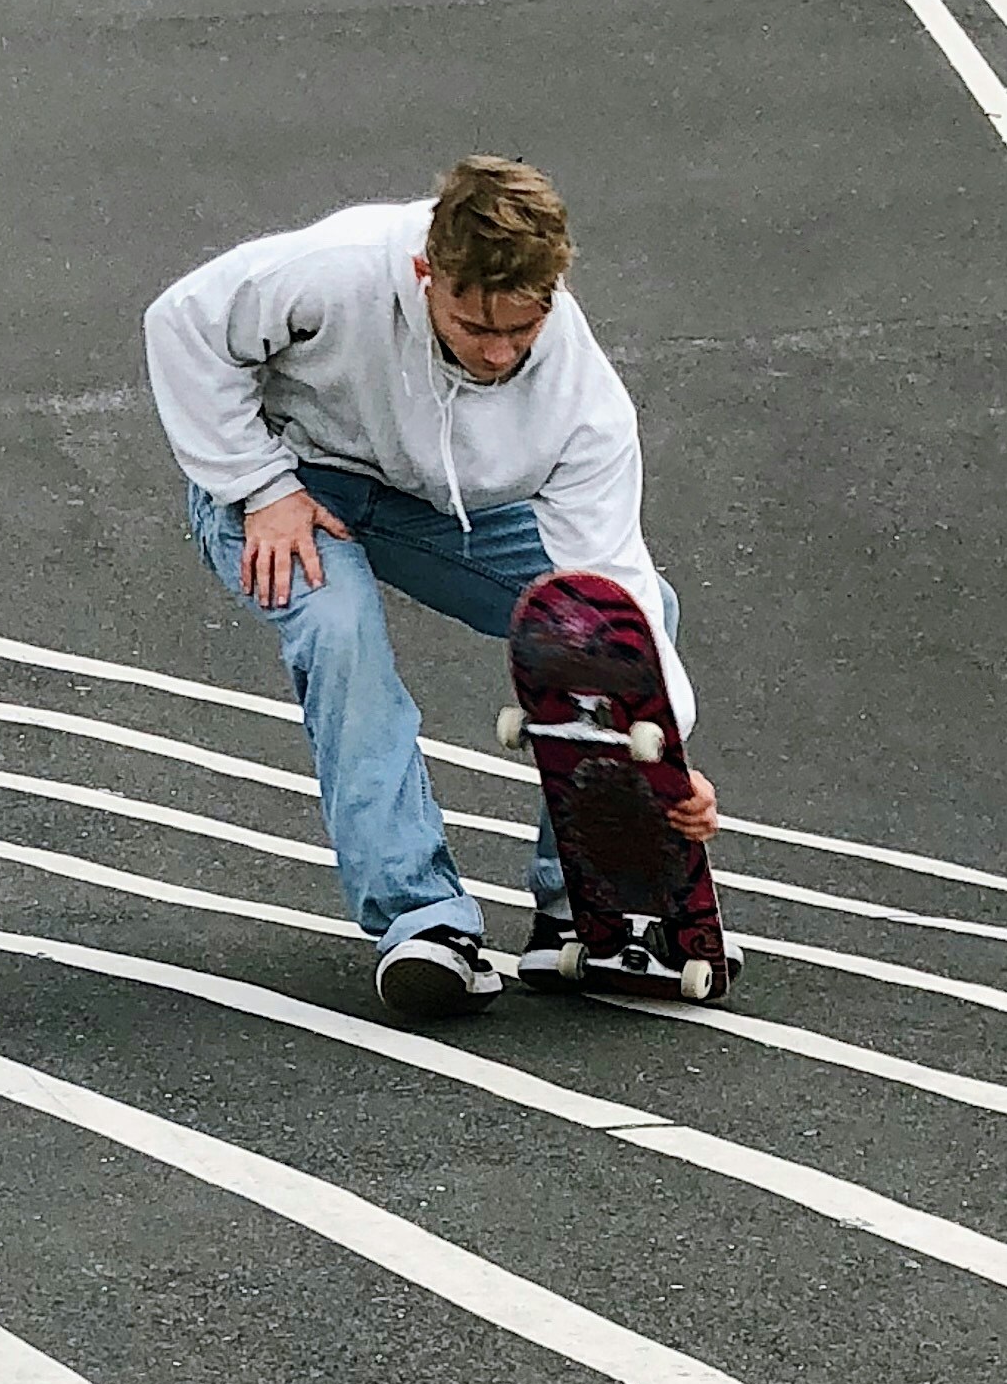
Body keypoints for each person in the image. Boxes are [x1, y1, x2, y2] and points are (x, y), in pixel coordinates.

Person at [144, 153, 716, 1019]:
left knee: (627, 628)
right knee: (339, 630)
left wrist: (666, 762)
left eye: (521, 329)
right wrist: (259, 484)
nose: (499, 353)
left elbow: (613, 593)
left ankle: (586, 901)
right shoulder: (335, 271)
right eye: (474, 325)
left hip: (432, 509)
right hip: (291, 484)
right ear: (425, 274)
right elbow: (181, 323)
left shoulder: (581, 398)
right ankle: (424, 920)